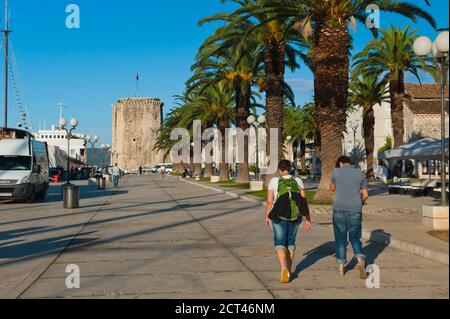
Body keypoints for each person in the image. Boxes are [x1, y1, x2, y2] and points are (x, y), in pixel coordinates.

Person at [266, 160, 312, 284]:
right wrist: (308, 219)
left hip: (279, 217)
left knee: (280, 243)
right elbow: (303, 201)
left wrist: (267, 216)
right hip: (295, 217)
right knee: (290, 243)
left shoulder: (274, 181)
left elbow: (270, 201)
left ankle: (284, 268)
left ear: (280, 170)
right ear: (290, 169)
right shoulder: (298, 181)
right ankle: (290, 271)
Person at [329, 156, 369, 279]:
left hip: (339, 209)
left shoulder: (336, 172)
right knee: (355, 237)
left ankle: (341, 267)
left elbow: (331, 189)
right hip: (355, 210)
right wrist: (359, 203)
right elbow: (366, 195)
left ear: (340, 163)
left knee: (340, 239)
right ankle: (360, 261)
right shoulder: (360, 174)